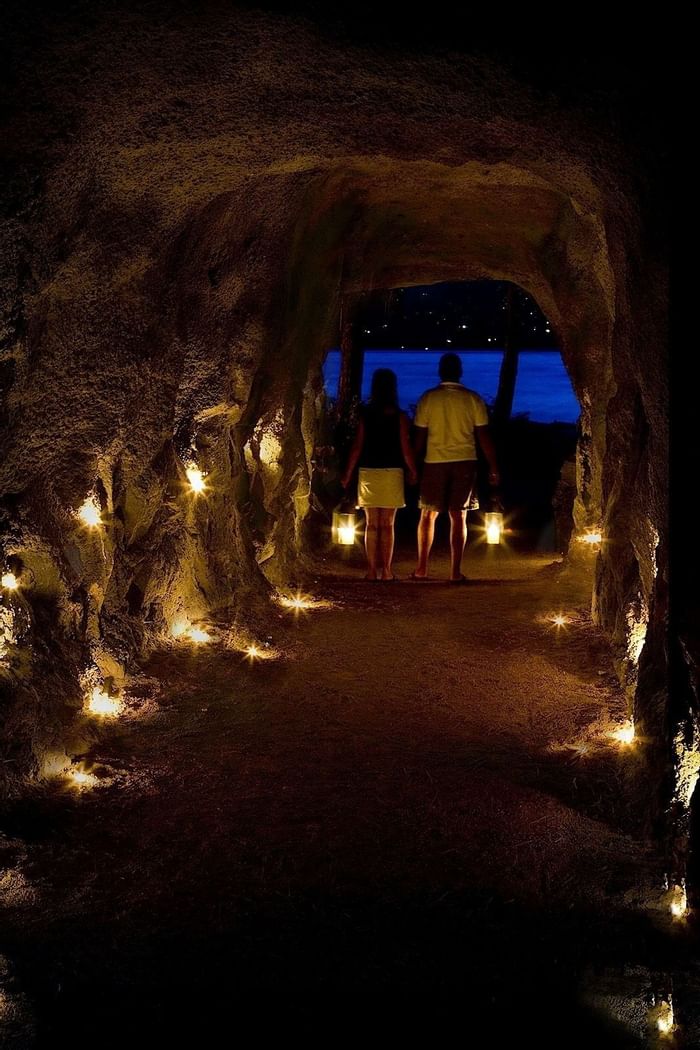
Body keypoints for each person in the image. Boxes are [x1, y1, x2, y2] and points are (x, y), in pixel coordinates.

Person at [410, 352, 500, 582]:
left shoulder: (428, 398)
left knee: (428, 515)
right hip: (465, 461)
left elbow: (419, 438)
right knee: (458, 516)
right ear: (460, 372)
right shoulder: (472, 399)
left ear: (440, 371)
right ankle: (454, 571)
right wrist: (493, 466)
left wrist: (412, 464)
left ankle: (422, 568)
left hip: (434, 462)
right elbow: (484, 437)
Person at [340, 369, 418, 580]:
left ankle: (372, 570)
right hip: (392, 472)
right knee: (388, 524)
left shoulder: (366, 415)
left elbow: (357, 446)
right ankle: (387, 571)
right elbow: (405, 447)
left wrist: (347, 474)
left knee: (372, 524)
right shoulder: (400, 417)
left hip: (369, 473)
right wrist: (413, 470)